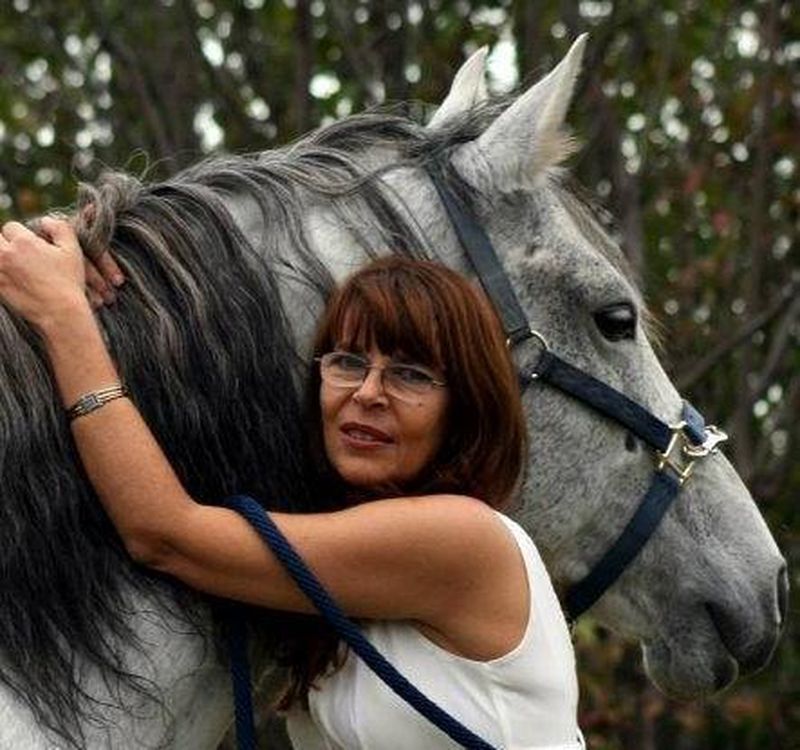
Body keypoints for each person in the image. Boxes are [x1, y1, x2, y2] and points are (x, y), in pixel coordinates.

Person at [0, 216, 584, 749]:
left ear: (466, 407)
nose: (368, 392)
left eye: (410, 374)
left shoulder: (462, 537)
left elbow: (165, 534)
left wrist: (62, 316)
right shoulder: (346, 569)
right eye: (348, 362)